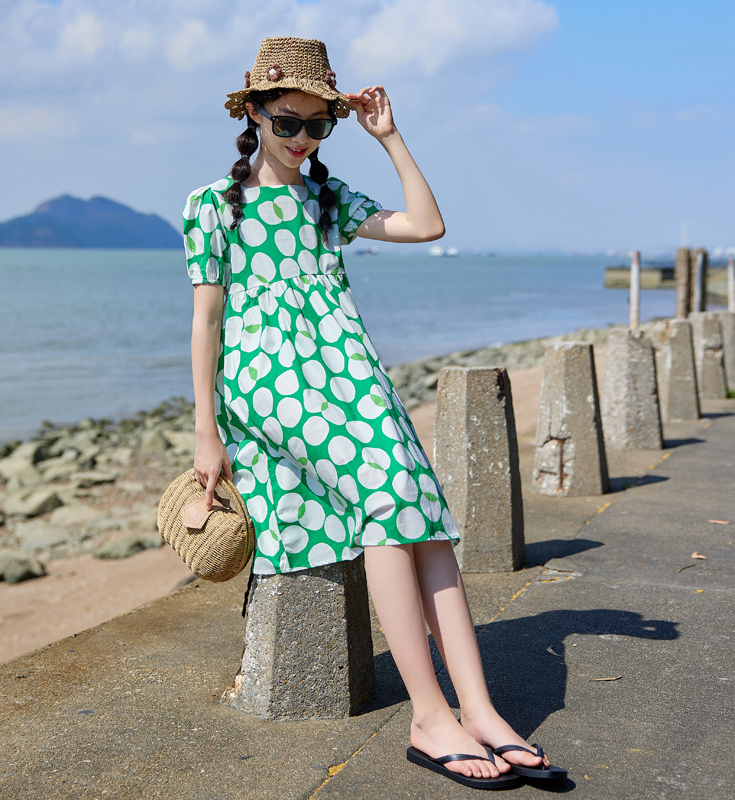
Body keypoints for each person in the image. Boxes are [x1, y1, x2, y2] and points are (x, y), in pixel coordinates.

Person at [184, 37, 565, 790]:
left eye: (316, 125)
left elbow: (427, 225)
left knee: (423, 517)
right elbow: (206, 322)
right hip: (267, 378)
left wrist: (389, 138)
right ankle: (429, 717)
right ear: (254, 113)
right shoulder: (212, 205)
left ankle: (479, 710)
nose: (301, 139)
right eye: (286, 122)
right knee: (389, 502)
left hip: (348, 368)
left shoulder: (327, 199)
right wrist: (206, 432)